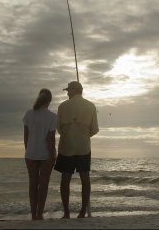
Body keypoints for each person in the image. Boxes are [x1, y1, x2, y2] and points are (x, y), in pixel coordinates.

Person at [54, 81, 99, 218]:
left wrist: (70, 133)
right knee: (85, 178)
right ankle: (82, 211)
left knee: (65, 179)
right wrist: (84, 135)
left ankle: (66, 212)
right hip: (84, 147)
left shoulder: (62, 106)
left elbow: (59, 128)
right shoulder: (91, 106)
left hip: (66, 147)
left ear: (75, 90)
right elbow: (95, 129)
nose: (67, 93)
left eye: (68, 90)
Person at [23, 88, 57, 220]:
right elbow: (51, 139)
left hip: (30, 153)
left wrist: (29, 149)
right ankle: (39, 214)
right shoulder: (52, 117)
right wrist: (52, 155)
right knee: (43, 184)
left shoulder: (28, 114)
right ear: (49, 101)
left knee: (32, 184)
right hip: (45, 155)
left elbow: (25, 137)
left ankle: (33, 214)